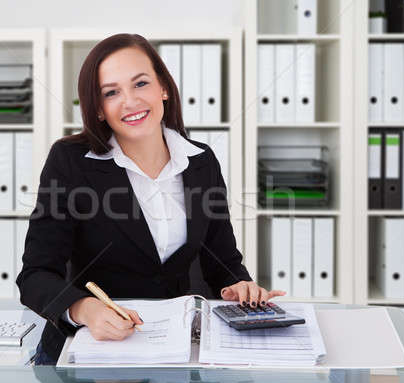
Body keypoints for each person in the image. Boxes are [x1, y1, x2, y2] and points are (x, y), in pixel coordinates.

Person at [16, 33, 286, 365]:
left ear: (164, 88)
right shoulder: (70, 161)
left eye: (140, 83)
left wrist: (240, 286)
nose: (130, 101)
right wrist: (82, 308)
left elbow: (223, 262)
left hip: (173, 348)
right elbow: (35, 275)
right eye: (111, 92)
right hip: (89, 351)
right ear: (98, 109)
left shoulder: (200, 162)